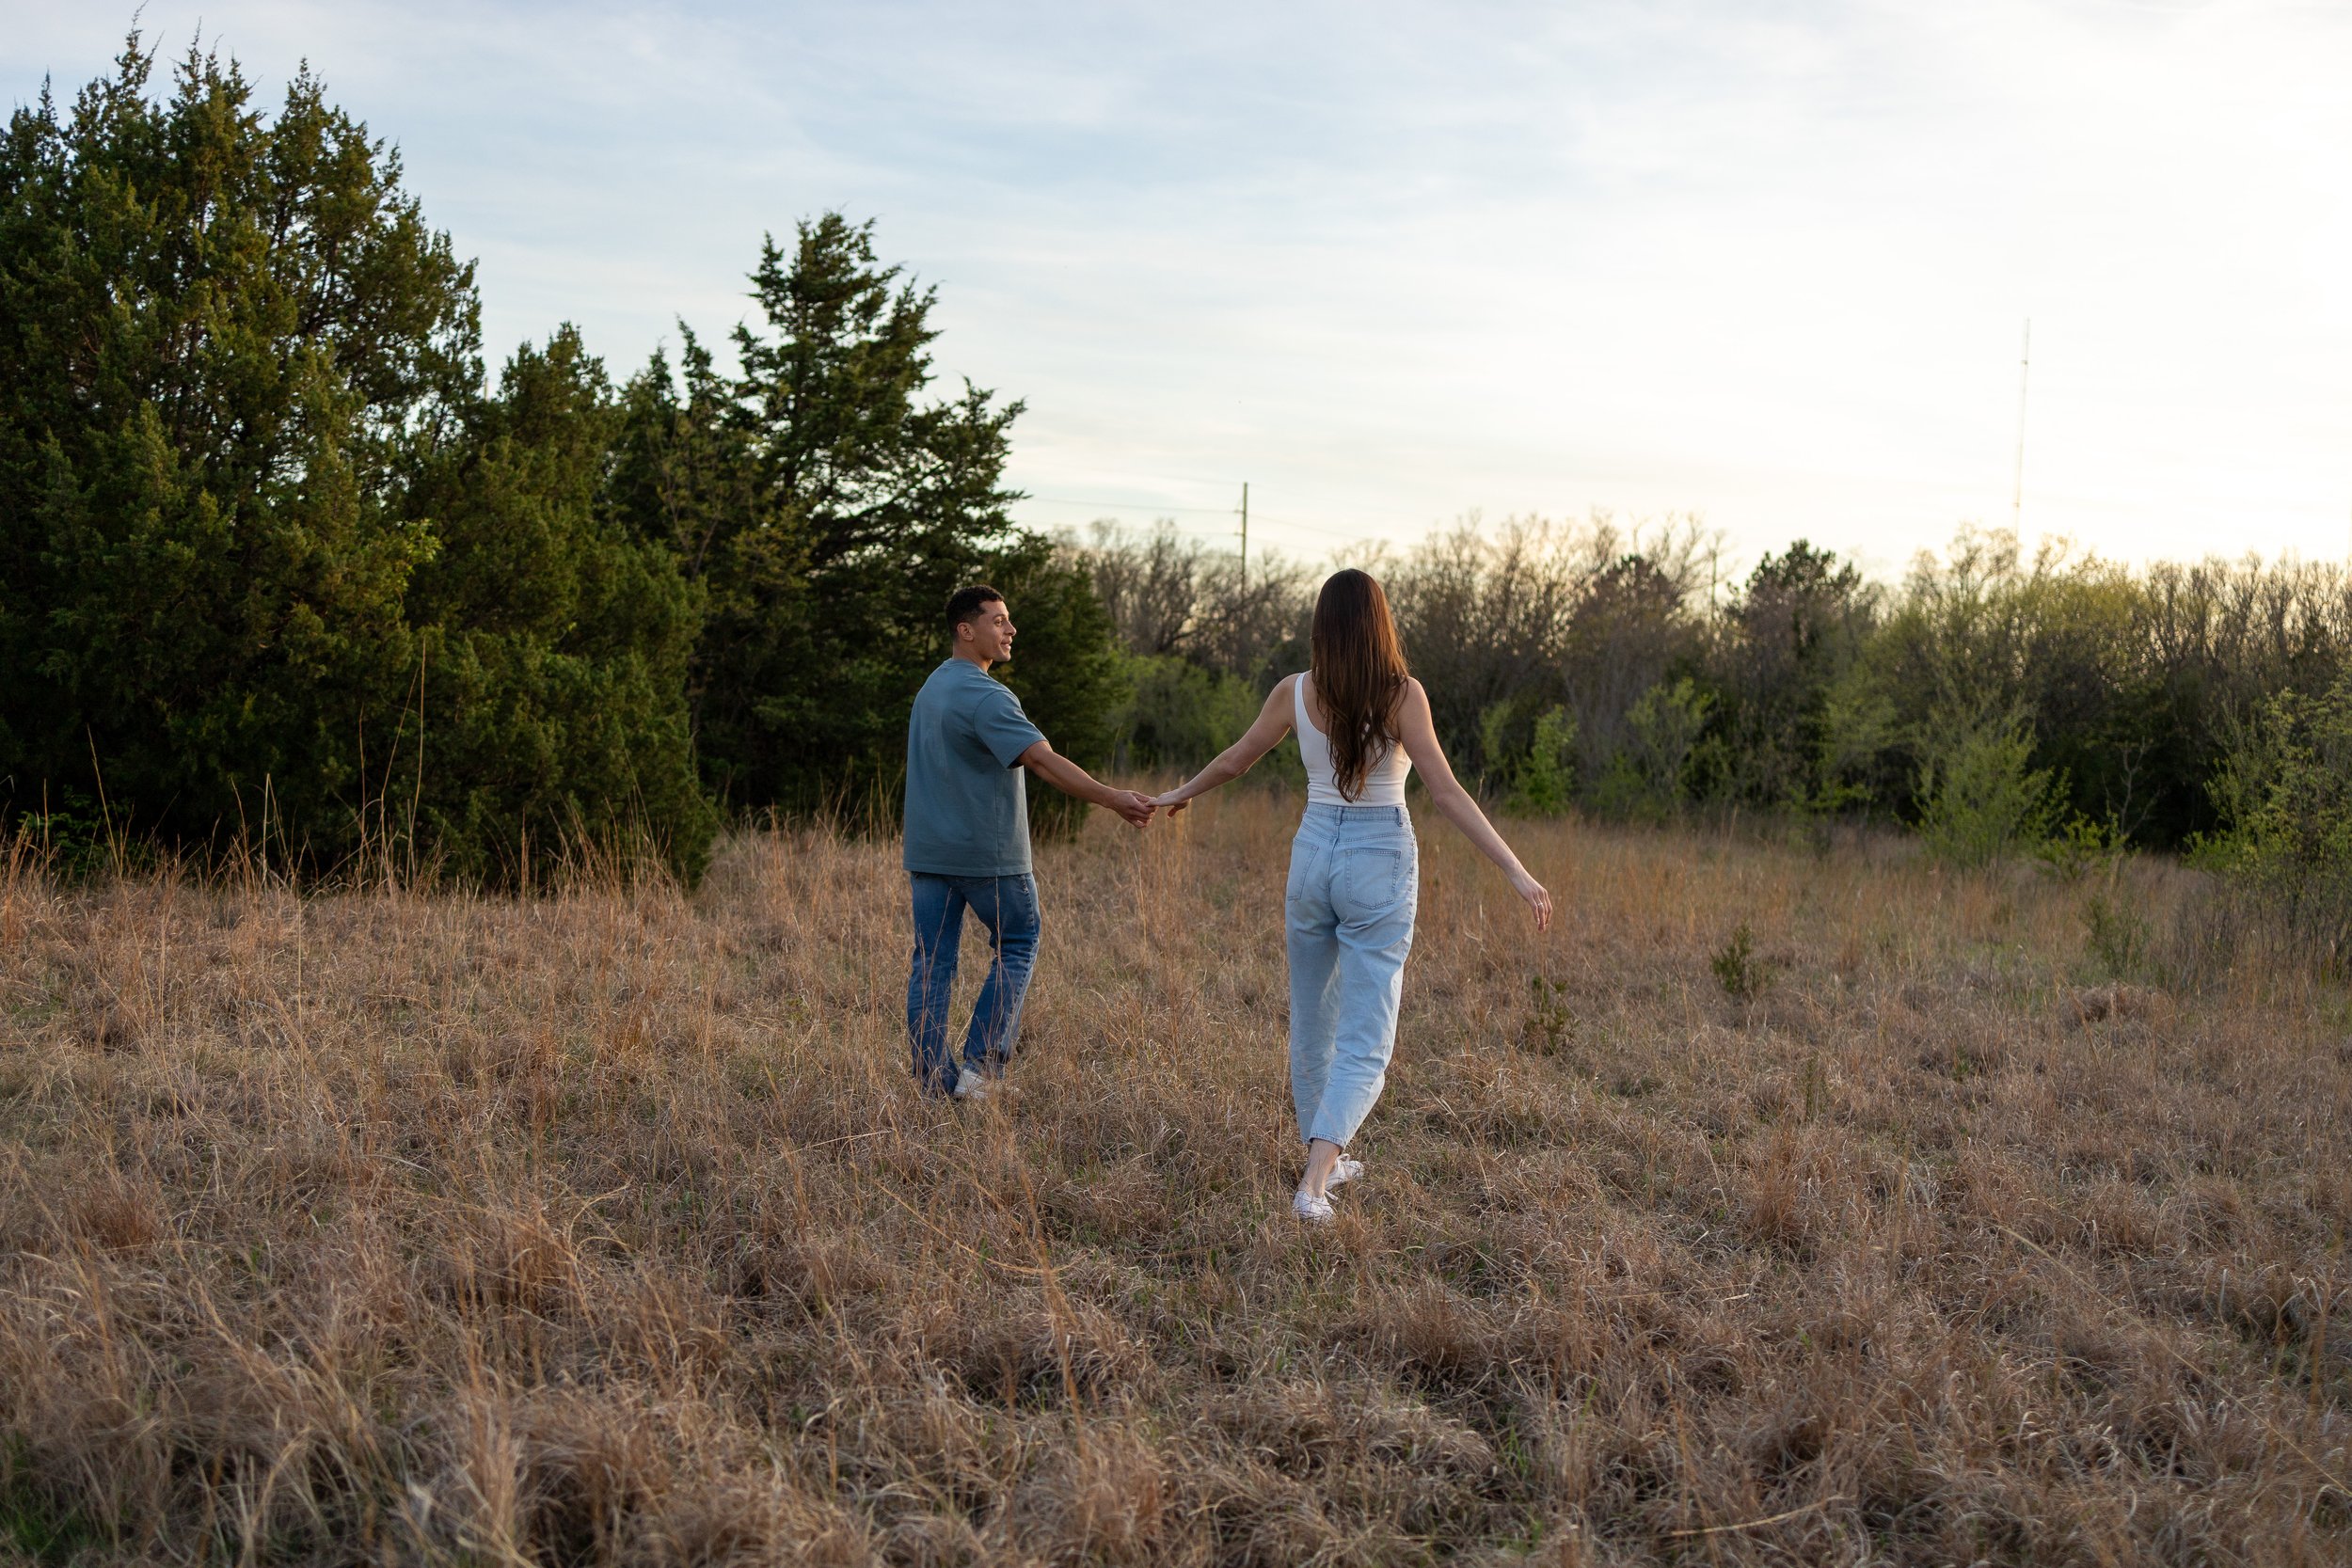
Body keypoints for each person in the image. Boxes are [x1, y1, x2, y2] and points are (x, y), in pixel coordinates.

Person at [1152, 568, 1552, 1223]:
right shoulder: (1402, 694)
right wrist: (1513, 868)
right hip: (1377, 856)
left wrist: (1178, 793)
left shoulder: (1295, 690)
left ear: (1321, 624)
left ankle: (1327, 1157)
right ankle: (1314, 1181)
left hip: (1312, 853)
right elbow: (1446, 791)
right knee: (1366, 1032)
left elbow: (1235, 759)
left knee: (1313, 1020)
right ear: (1380, 622)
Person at [904, 584, 1156, 1100]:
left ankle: (933, 1085)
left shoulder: (932, 688)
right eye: (997, 621)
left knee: (931, 964)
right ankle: (981, 1073)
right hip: (988, 857)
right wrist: (1111, 798)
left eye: (1008, 620)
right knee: (1017, 943)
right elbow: (1041, 760)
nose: (1010, 629)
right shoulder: (985, 694)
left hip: (929, 855)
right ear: (965, 630)